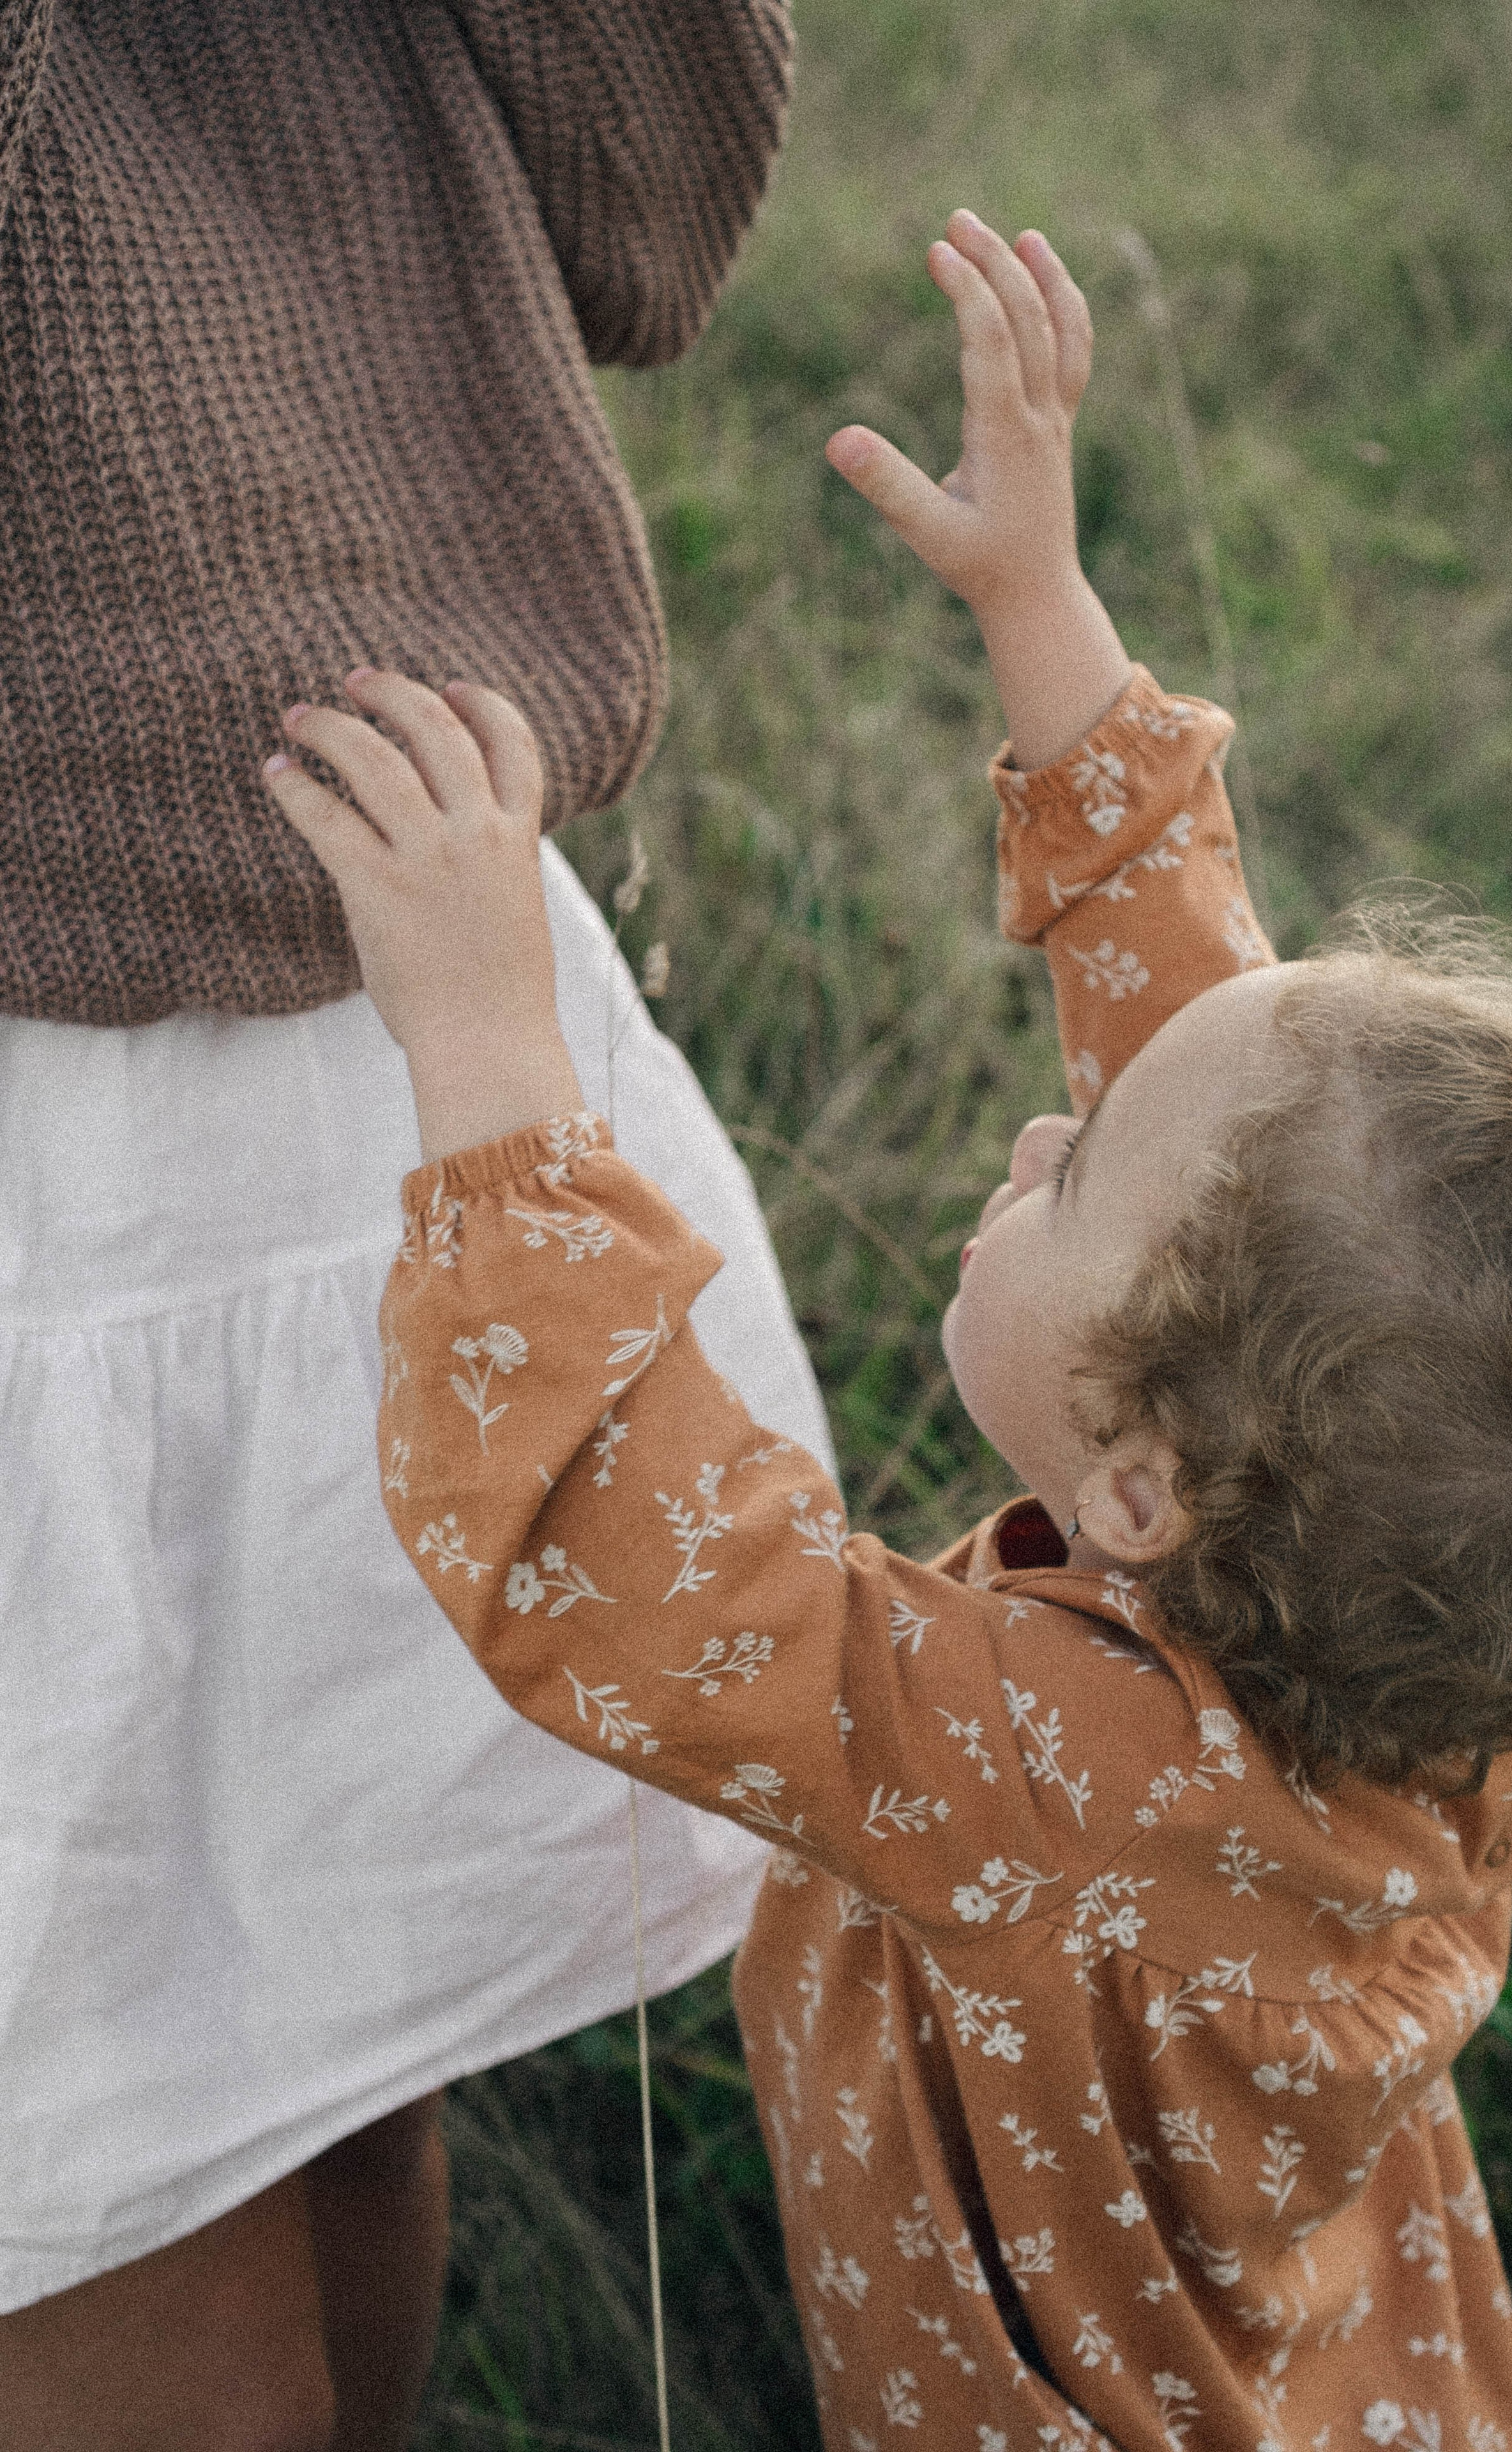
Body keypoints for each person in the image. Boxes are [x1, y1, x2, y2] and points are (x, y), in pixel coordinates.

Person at [263, 211, 1512, 2446]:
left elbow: (653, 1571)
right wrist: (1041, 608)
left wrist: (492, 1050)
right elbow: (1215, 1080)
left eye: (1068, 1178)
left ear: (1144, 1487)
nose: (1028, 1133)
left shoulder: (1054, 1766)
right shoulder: (1450, 1578)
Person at [0, 6, 835, 2448]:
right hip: (45, 1174)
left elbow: (652, 222)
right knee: (118, 2220)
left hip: (410, 1041)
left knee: (365, 2088)